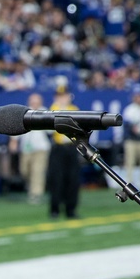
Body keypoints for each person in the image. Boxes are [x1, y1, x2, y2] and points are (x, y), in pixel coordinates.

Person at [46, 85, 81, 219]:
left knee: (73, 180)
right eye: (60, 96)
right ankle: (54, 209)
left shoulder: (74, 110)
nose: (63, 99)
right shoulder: (53, 109)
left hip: (71, 147)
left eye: (64, 96)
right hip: (58, 148)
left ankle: (71, 209)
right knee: (56, 179)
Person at [11, 92, 51, 204]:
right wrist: (13, 141)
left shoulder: (45, 112)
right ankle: (32, 188)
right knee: (25, 170)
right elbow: (17, 128)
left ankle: (36, 194)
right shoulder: (24, 113)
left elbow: (50, 130)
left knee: (37, 171)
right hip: (26, 149)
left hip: (41, 148)